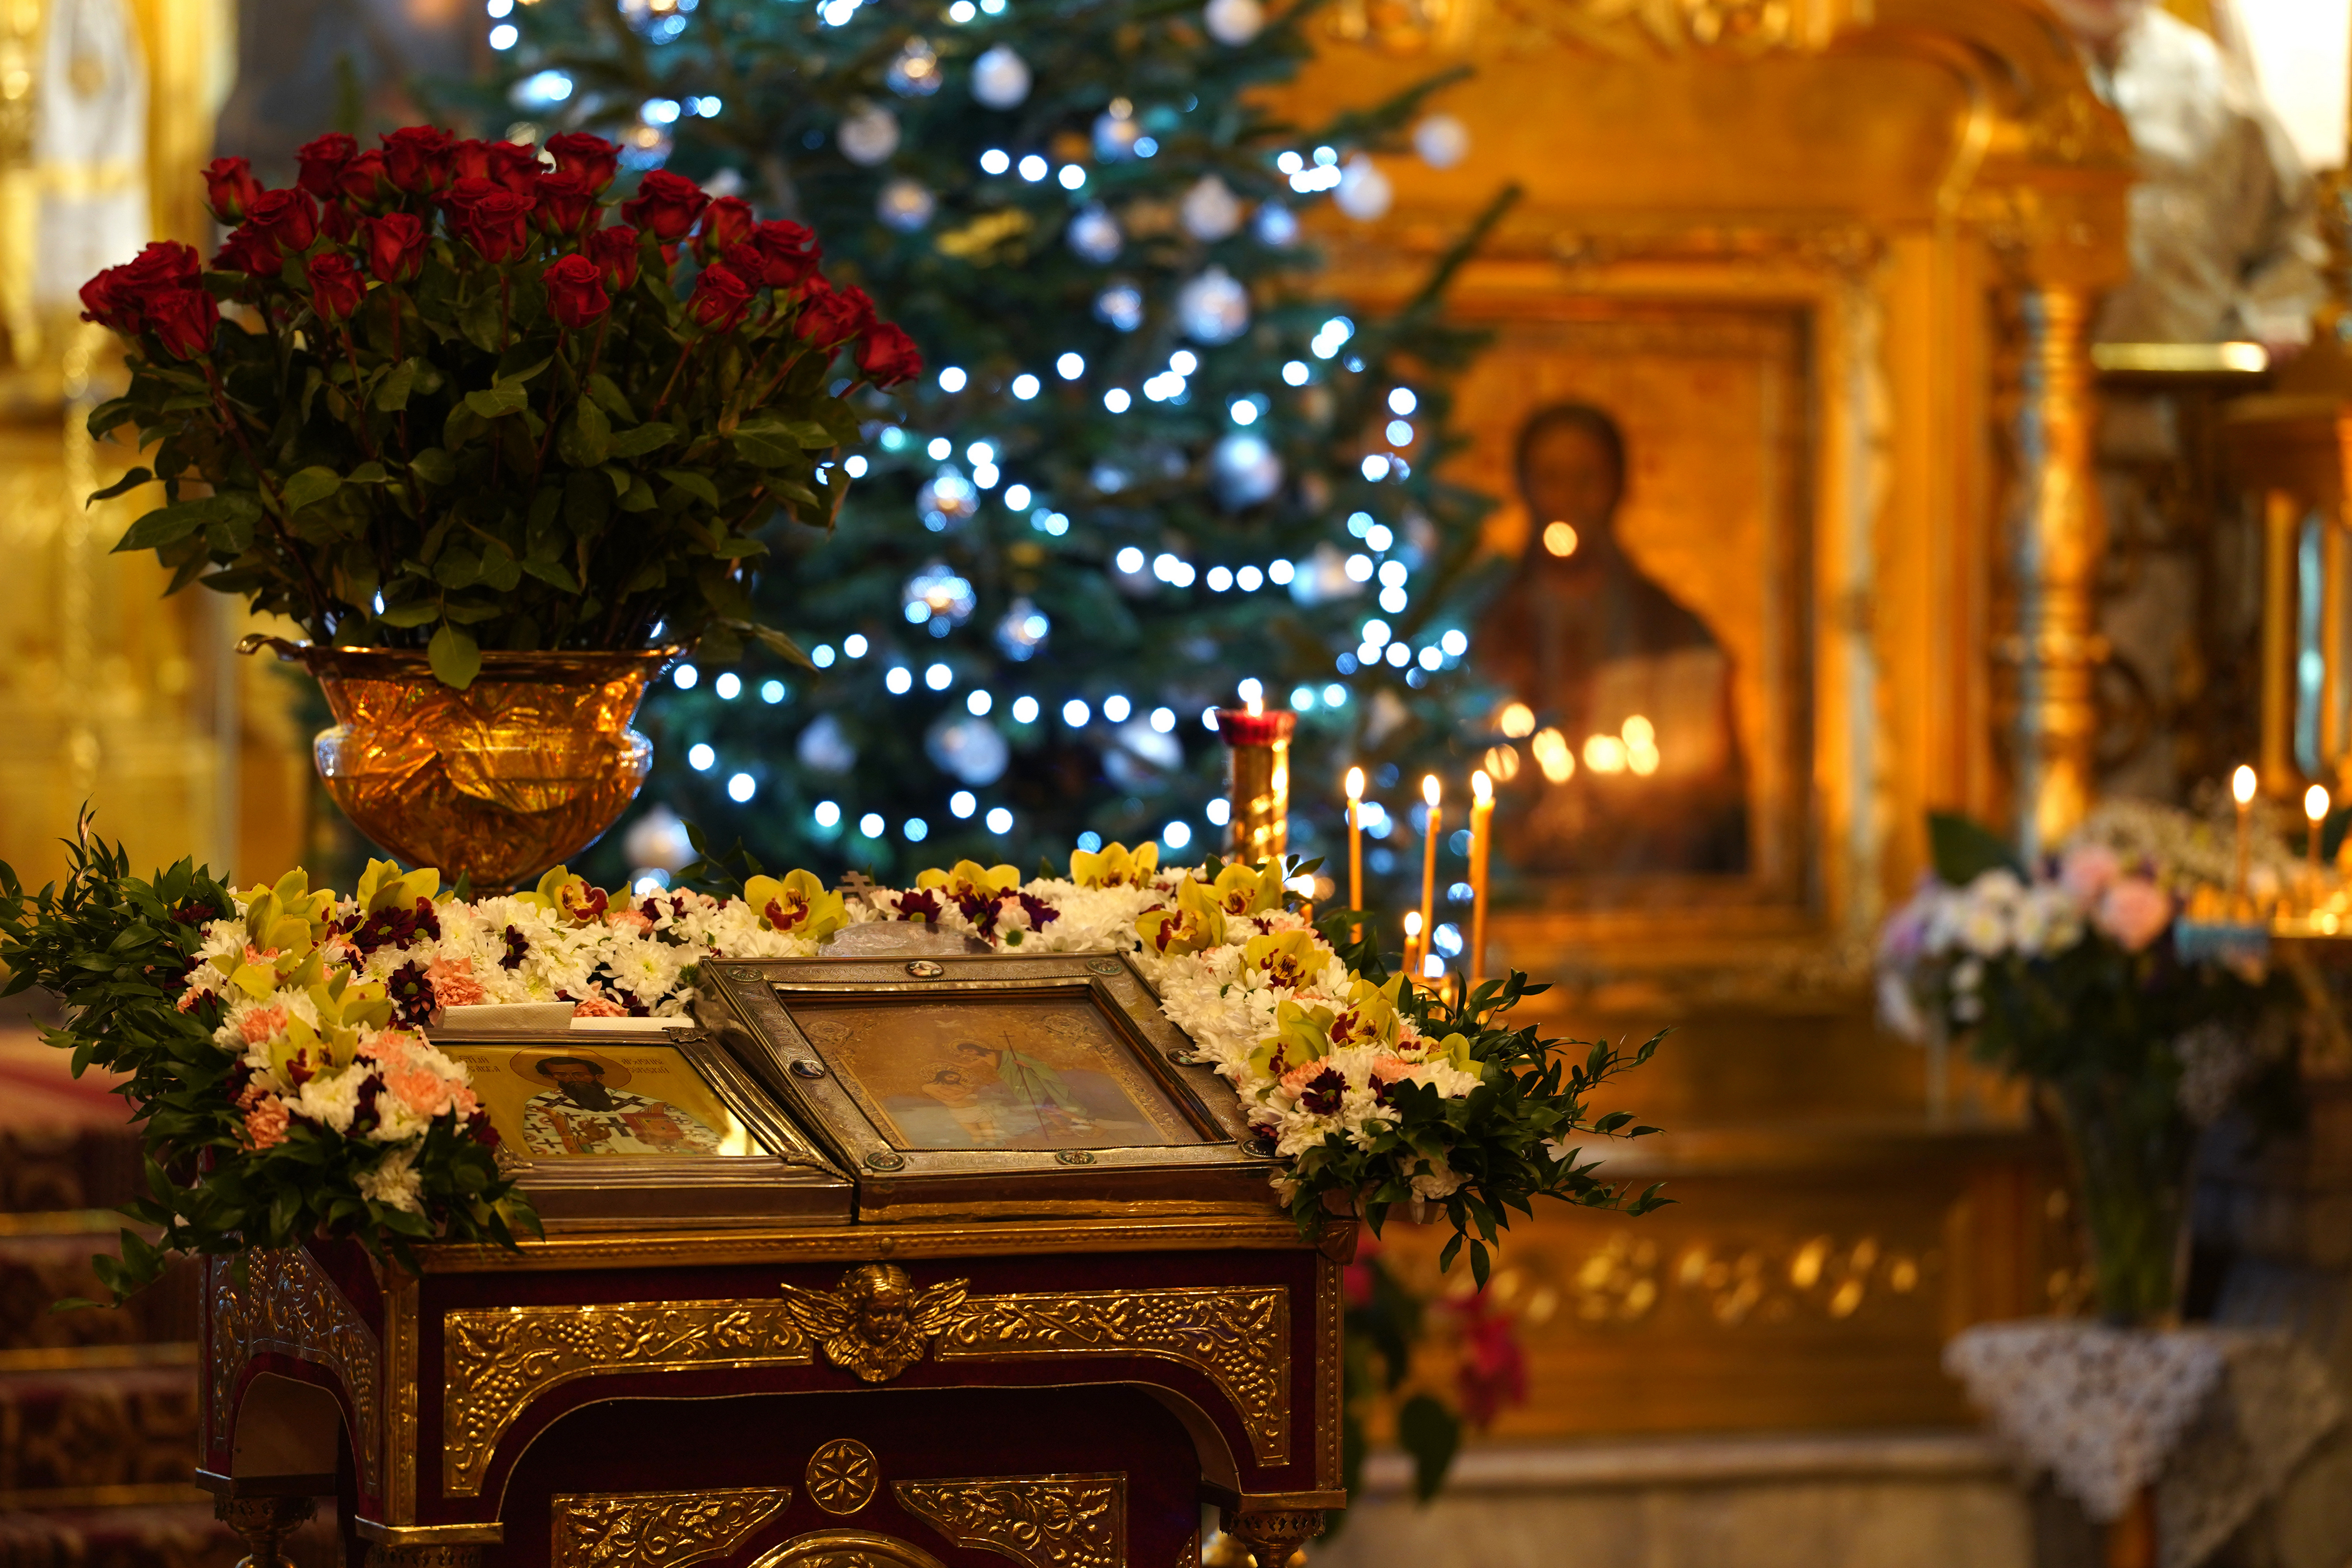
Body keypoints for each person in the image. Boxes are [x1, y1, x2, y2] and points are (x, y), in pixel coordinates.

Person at [1481, 403, 1749, 876]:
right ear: (1526, 487)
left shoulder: (1676, 631)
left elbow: (1720, 790)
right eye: (1551, 477)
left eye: (1587, 478)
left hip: (1643, 876)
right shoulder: (1489, 628)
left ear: (1617, 486)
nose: (1569, 499)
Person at [520, 1055, 724, 1156]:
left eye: (579, 1074)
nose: (572, 1080)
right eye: (561, 1075)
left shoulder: (646, 1105)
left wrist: (671, 1143)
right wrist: (584, 1139)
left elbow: (707, 1143)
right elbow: (541, 1144)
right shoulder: (544, 1106)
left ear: (596, 1077)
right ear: (551, 1078)